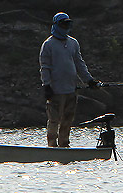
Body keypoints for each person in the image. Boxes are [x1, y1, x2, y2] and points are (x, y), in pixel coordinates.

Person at [39, 12, 102, 147]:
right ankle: (52, 145)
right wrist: (47, 86)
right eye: (63, 24)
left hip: (71, 89)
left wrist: (89, 80)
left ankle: (64, 144)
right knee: (54, 120)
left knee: (67, 119)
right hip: (55, 90)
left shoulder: (73, 43)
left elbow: (80, 64)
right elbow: (45, 67)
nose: (65, 27)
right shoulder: (48, 44)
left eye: (67, 24)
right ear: (56, 25)